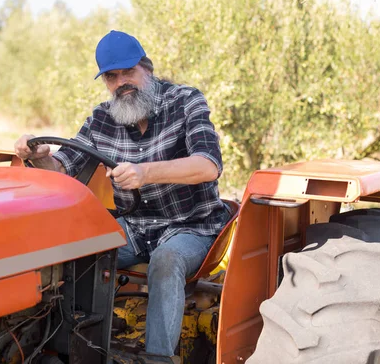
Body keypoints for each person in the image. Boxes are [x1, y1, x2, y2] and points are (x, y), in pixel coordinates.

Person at [14, 30, 231, 358]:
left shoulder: (186, 101)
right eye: (111, 77)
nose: (121, 83)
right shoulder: (102, 118)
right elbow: (61, 171)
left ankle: (158, 358)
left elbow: (208, 165)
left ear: (148, 67)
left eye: (128, 72)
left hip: (193, 225)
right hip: (136, 227)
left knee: (166, 259)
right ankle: (71, 348)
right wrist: (38, 154)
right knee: (80, 251)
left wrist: (146, 172)